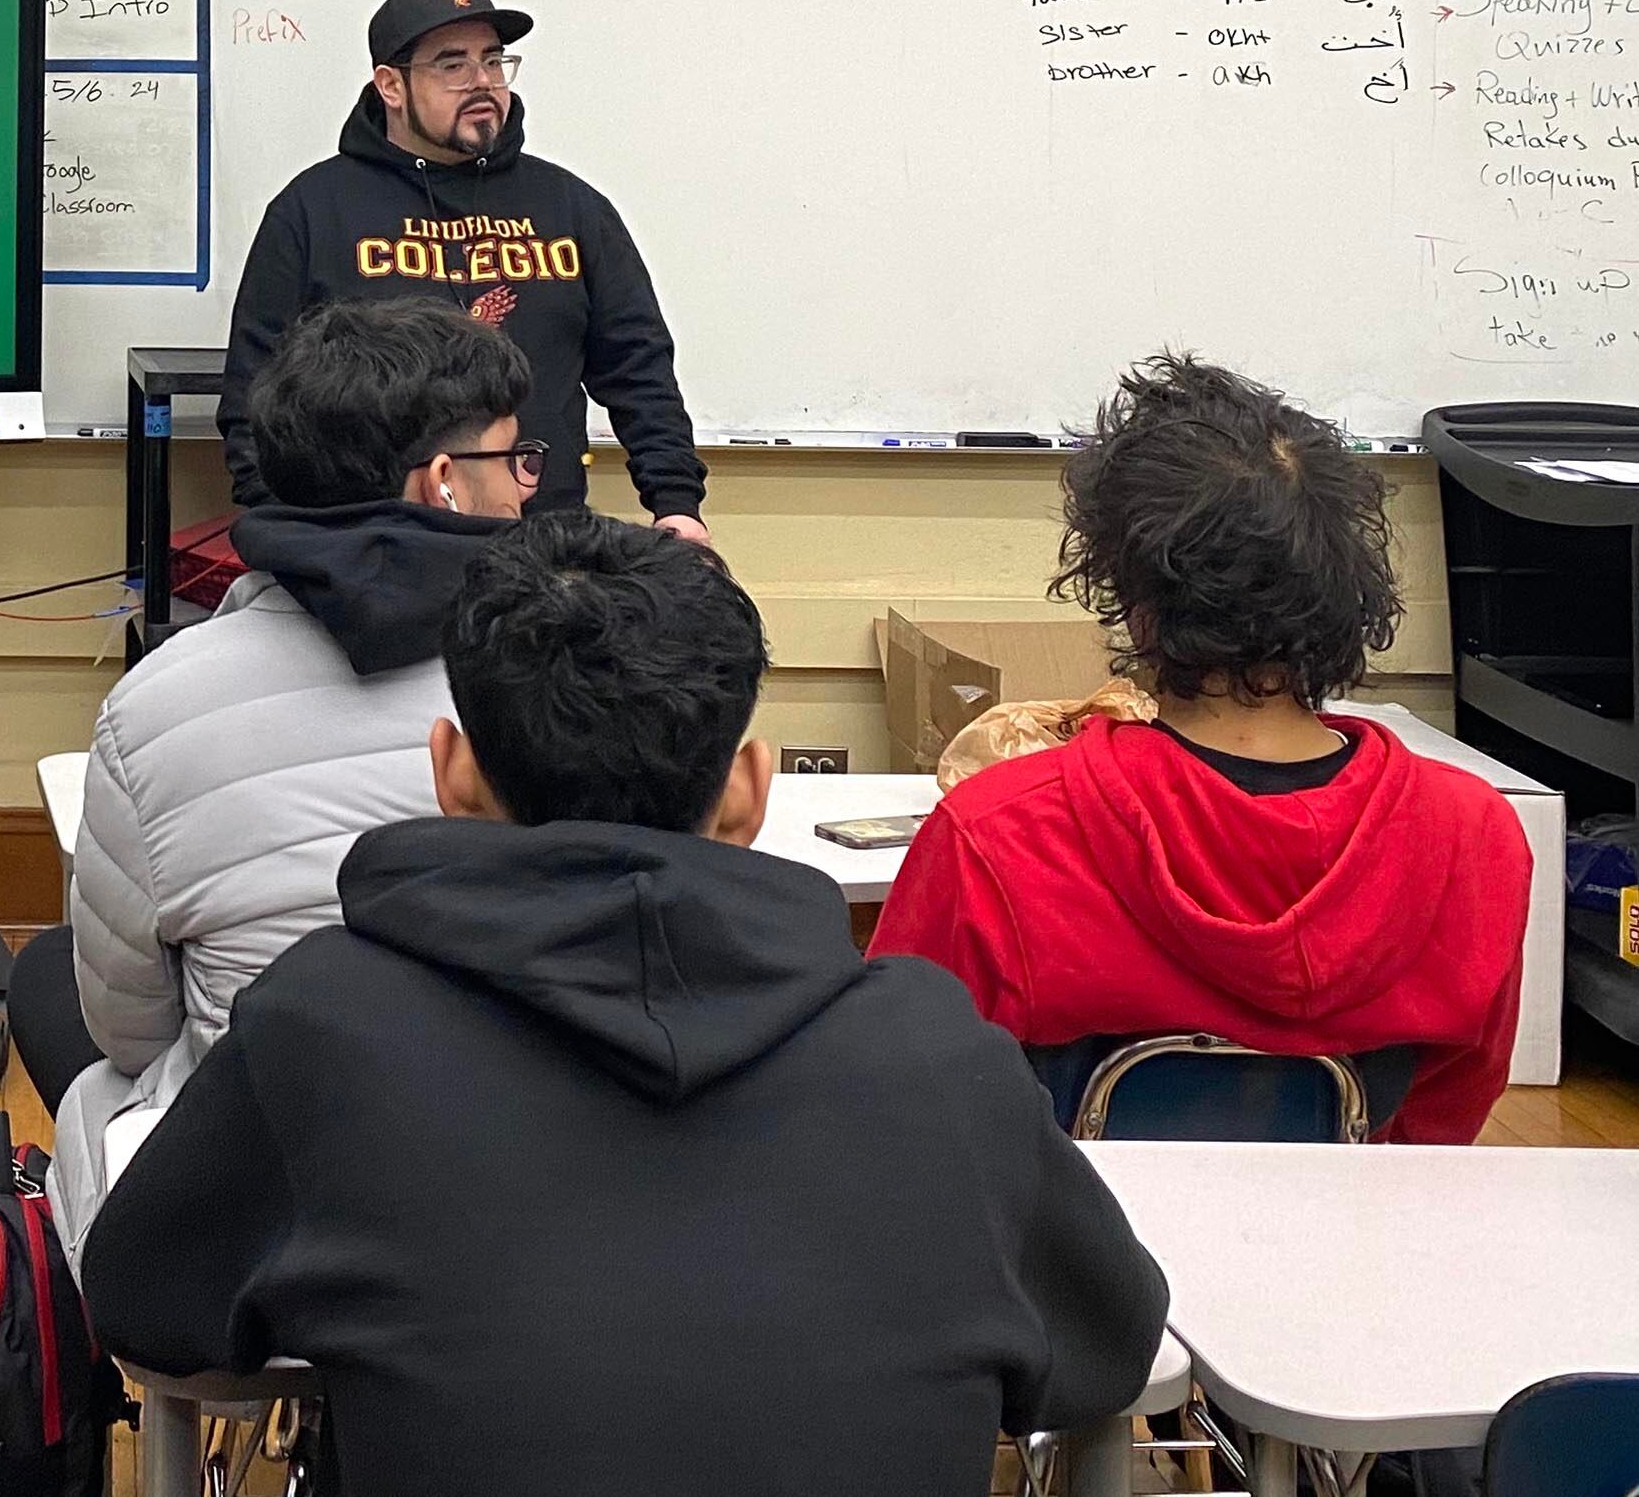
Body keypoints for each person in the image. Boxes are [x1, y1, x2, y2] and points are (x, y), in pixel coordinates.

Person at [80, 515, 1168, 1496]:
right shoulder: (939, 1056)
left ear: (451, 774)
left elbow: (141, 1299)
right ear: (750, 789)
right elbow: (1111, 1347)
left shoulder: (322, 1029)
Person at [872, 355, 1533, 1144]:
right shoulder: (1473, 835)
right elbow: (1442, 1119)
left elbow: (897, 1100)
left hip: (1064, 1257)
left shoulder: (999, 834)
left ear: (1137, 602)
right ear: (1345, 592)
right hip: (1352, 1247)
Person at [25, 294, 532, 1246]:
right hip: (506, 1200)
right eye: (513, 459)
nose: (526, 488)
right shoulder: (563, 676)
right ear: (442, 485)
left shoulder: (151, 706)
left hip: (256, 1235)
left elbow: (130, 1035)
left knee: (60, 991)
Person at [219, 0, 706, 537]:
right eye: (453, 65)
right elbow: (257, 394)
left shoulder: (571, 208)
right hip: (366, 547)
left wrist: (675, 503)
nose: (482, 82)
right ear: (391, 85)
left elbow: (639, 368)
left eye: (493, 61)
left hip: (540, 540)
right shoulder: (313, 211)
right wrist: (284, 530)